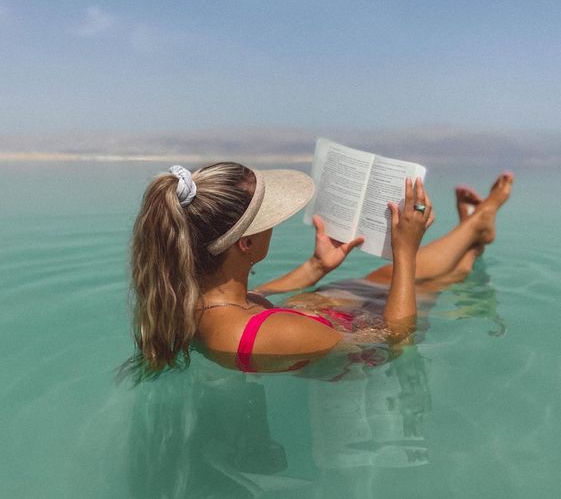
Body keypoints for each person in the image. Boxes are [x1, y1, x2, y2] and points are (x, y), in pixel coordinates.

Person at [123, 162, 512, 378]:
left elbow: (257, 297)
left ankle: (474, 231)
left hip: (298, 319)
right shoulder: (271, 332)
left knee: (377, 279)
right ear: (246, 244)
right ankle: (474, 236)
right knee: (422, 284)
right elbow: (396, 339)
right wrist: (405, 251)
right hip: (348, 345)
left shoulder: (186, 300)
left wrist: (315, 266)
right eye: (269, 218)